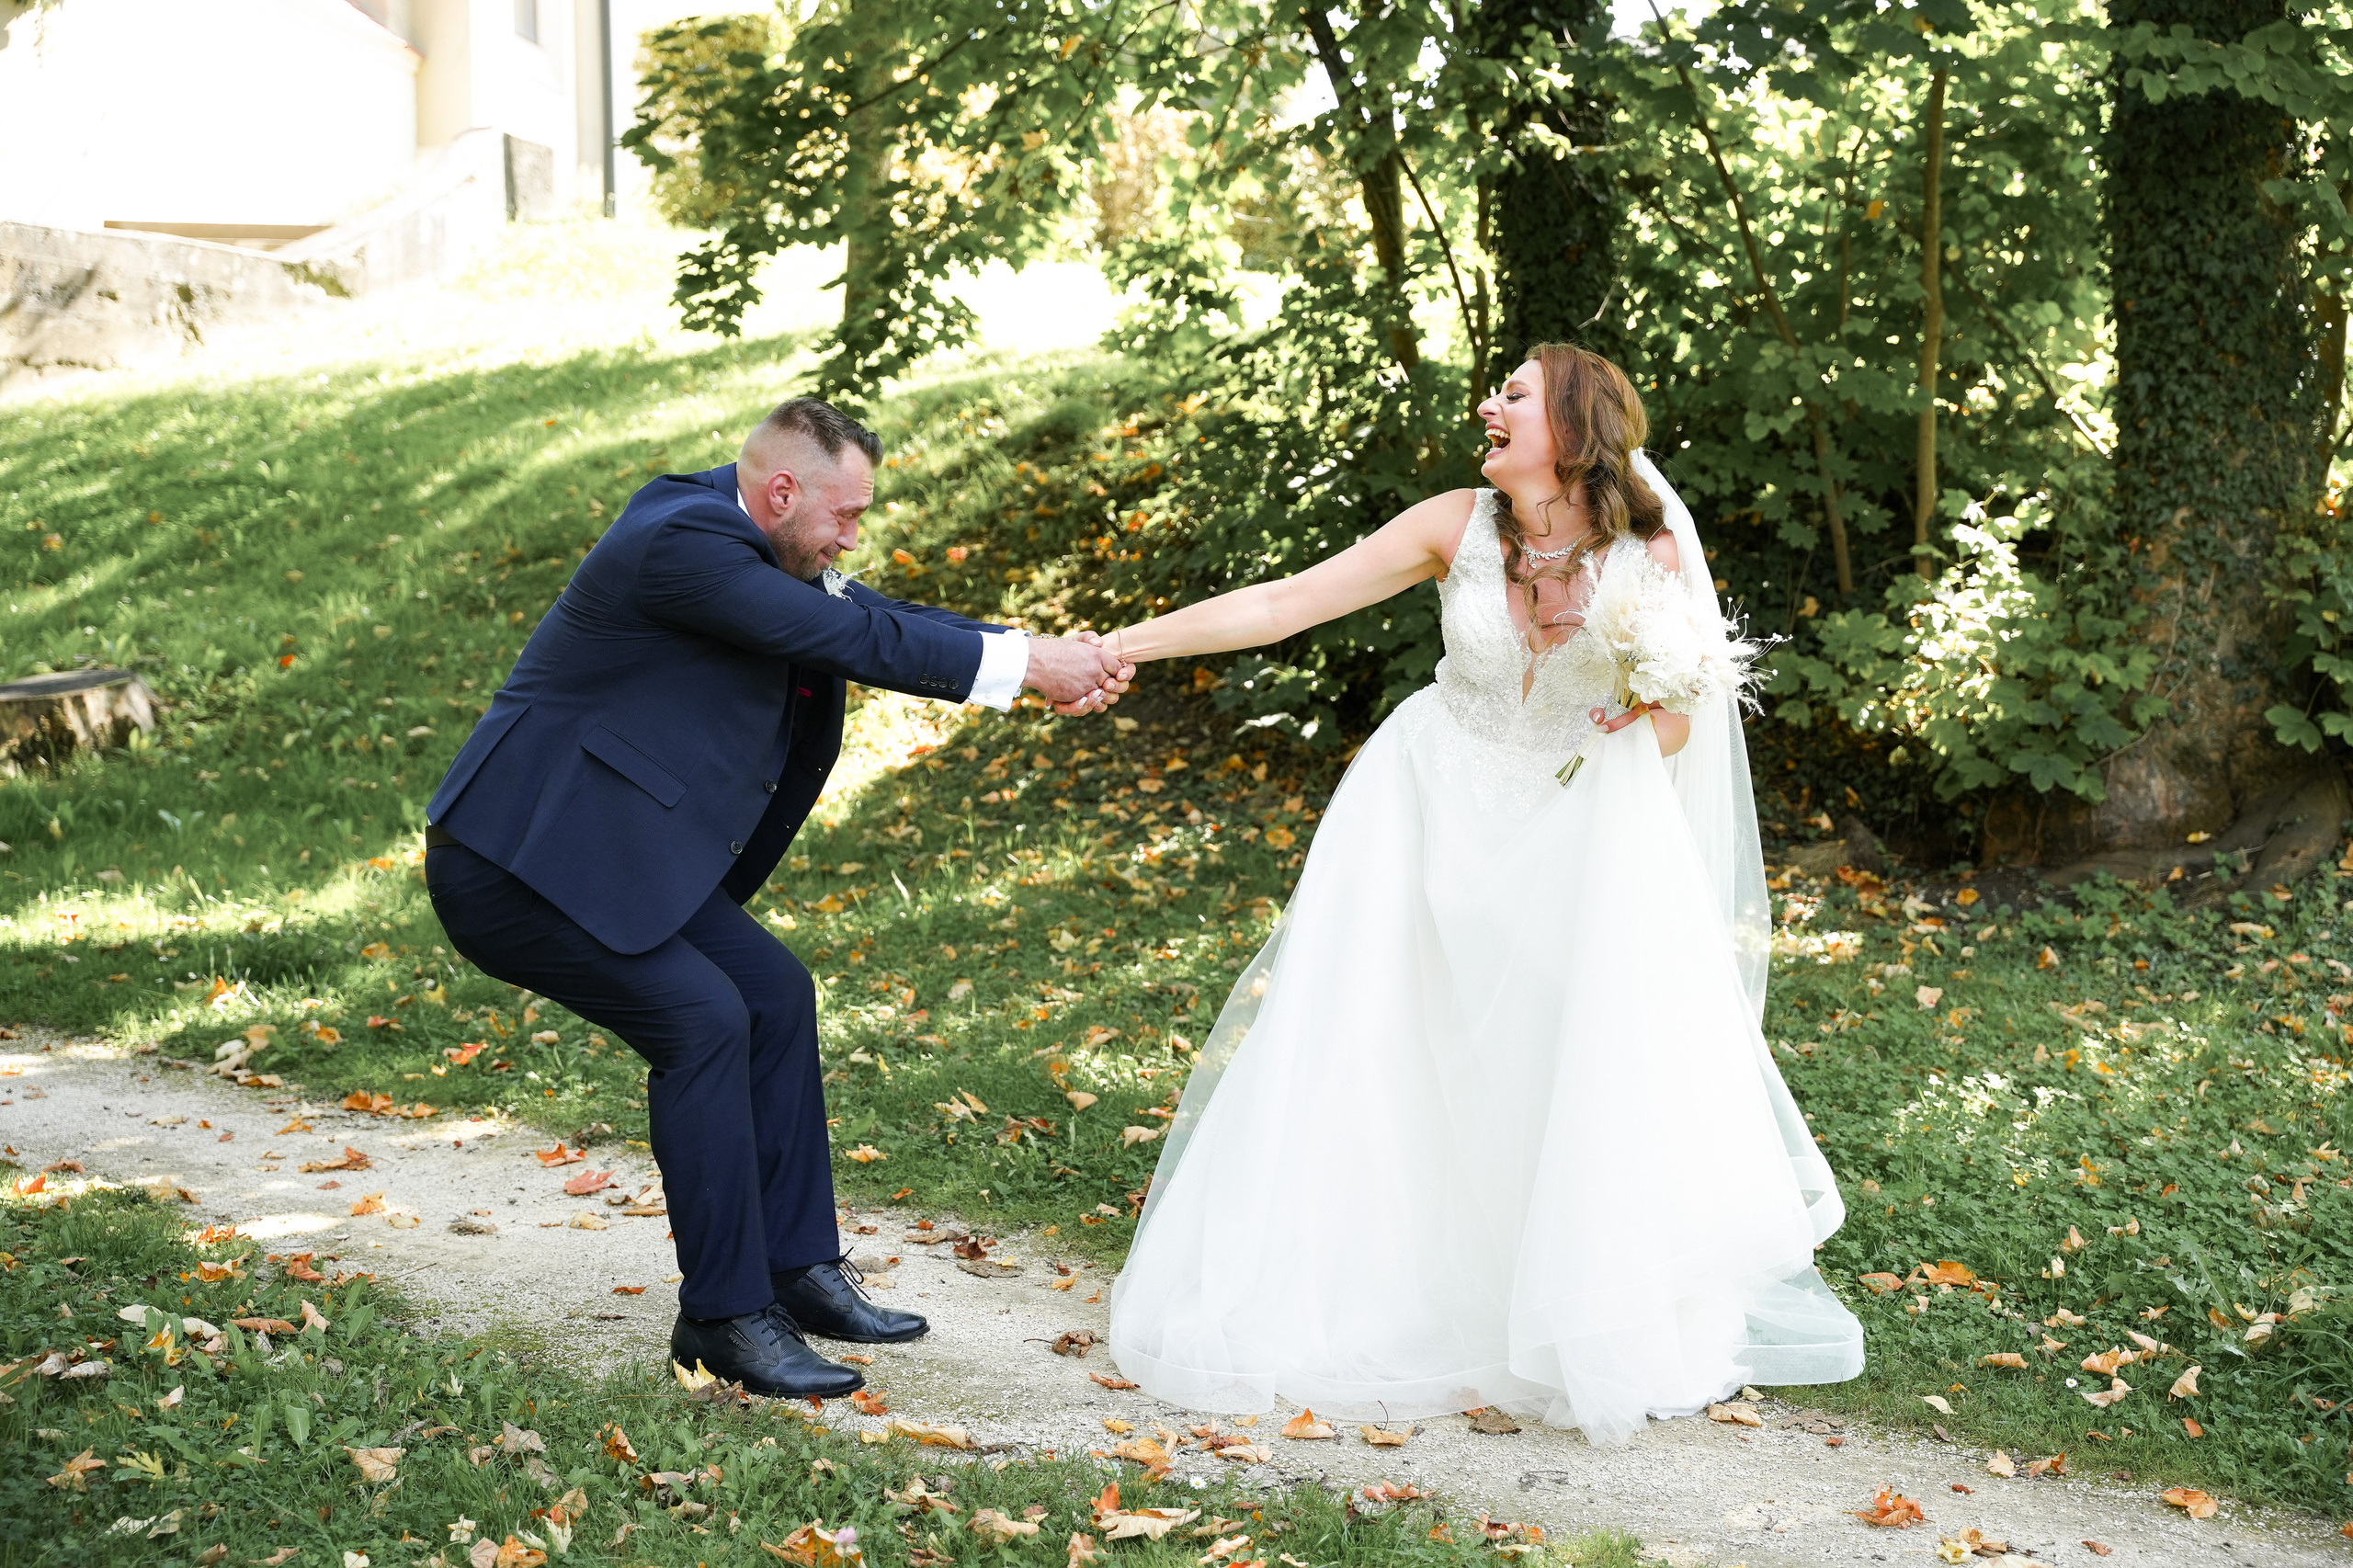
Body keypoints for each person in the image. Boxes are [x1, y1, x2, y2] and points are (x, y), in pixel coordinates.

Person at [1100, 343, 1863, 1443]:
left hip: (1577, 821)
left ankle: (1558, 1310)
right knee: (1384, 1039)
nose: (1487, 406)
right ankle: (1381, 1286)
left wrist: (1635, 722)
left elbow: (1685, 710)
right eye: (1493, 392)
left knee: (1559, 1054)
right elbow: (1284, 602)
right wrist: (1130, 644)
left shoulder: (1650, 548)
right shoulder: (1453, 520)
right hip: (1426, 805)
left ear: (1573, 420)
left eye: (1513, 394)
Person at [423, 397, 1132, 1398]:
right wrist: (1025, 666)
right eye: (845, 516)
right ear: (783, 491)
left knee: (773, 992)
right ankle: (722, 1315)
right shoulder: (684, 542)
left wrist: (1036, 654)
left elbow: (878, 614)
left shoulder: (768, 542)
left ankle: (794, 1270)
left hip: (616, 858)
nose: (854, 535)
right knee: (703, 1016)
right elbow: (845, 637)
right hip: (516, 861)